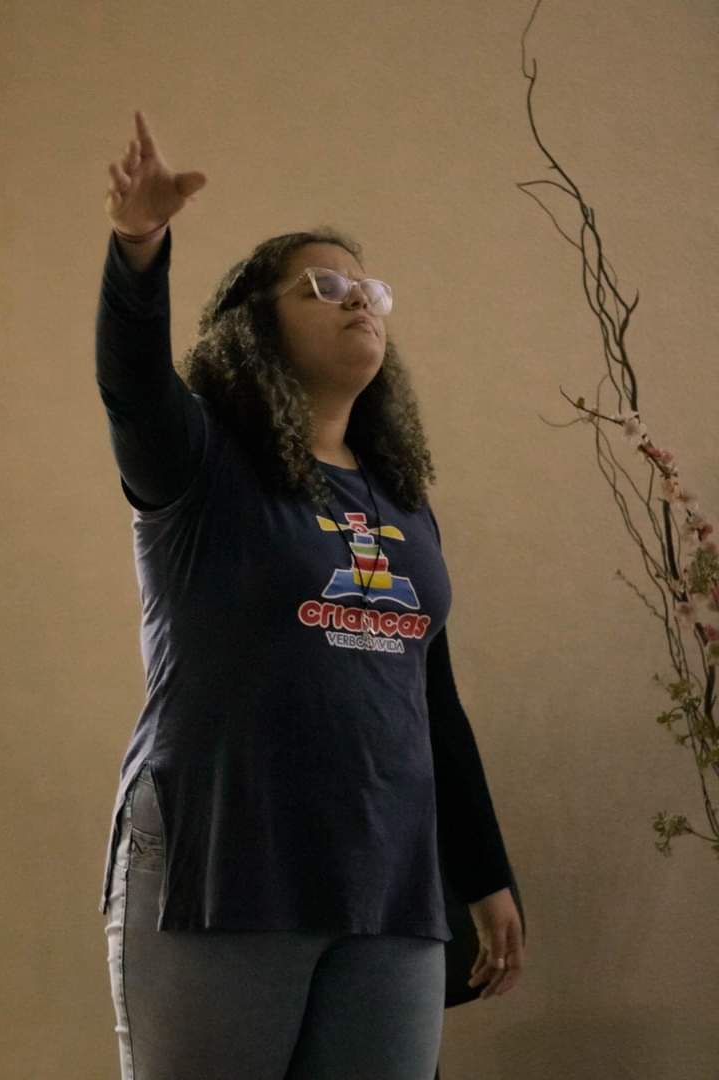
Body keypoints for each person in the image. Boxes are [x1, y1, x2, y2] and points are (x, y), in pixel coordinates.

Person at [96, 109, 525, 1080]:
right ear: (254, 327)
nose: (357, 300)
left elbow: (432, 699)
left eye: (369, 288)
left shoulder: (402, 502)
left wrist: (485, 873)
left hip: (390, 882)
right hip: (223, 864)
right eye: (323, 287)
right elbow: (131, 384)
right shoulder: (199, 462)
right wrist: (138, 248)